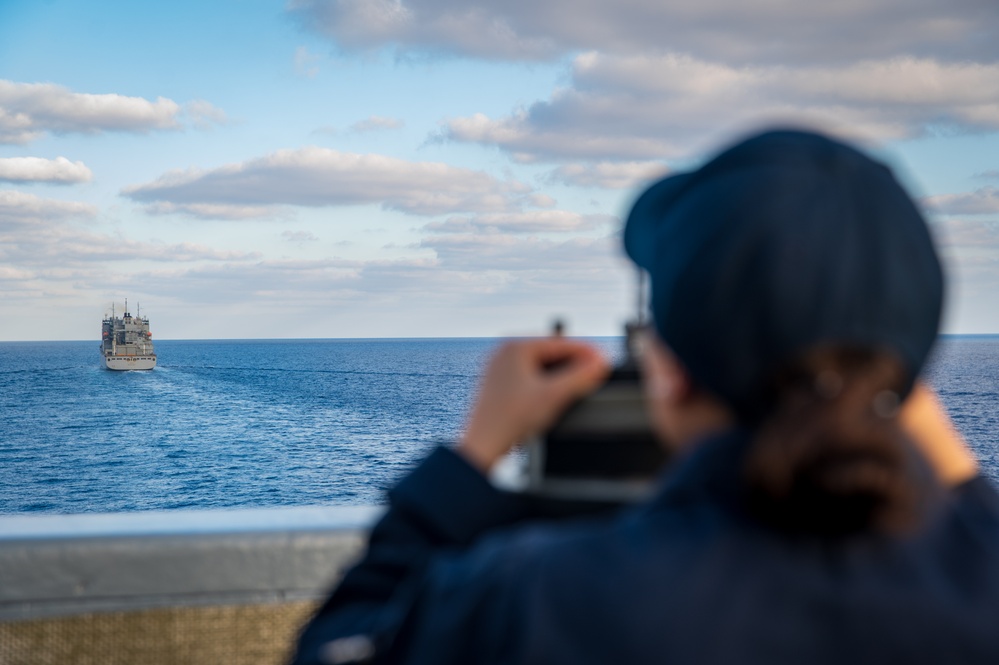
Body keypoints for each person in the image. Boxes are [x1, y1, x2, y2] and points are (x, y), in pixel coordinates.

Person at [293, 129, 999, 665]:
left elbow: (338, 644)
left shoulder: (544, 596)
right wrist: (952, 471)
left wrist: (471, 455)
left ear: (672, 370)